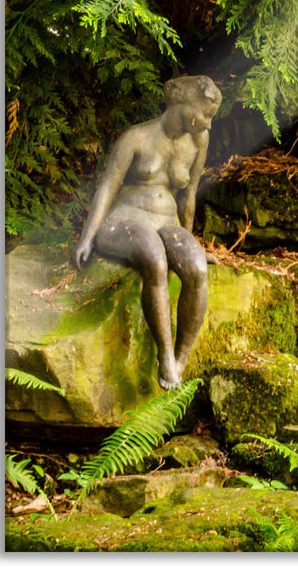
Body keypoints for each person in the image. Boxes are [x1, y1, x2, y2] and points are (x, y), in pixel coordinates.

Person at [73, 75, 220, 390]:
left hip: (167, 222)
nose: (206, 125)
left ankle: (181, 358)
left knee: (195, 267)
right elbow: (108, 187)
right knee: (154, 257)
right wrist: (88, 236)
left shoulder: (198, 142)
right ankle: (165, 356)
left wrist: (189, 240)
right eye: (204, 114)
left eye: (211, 118)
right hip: (125, 219)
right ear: (181, 103)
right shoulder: (136, 138)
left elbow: (189, 194)